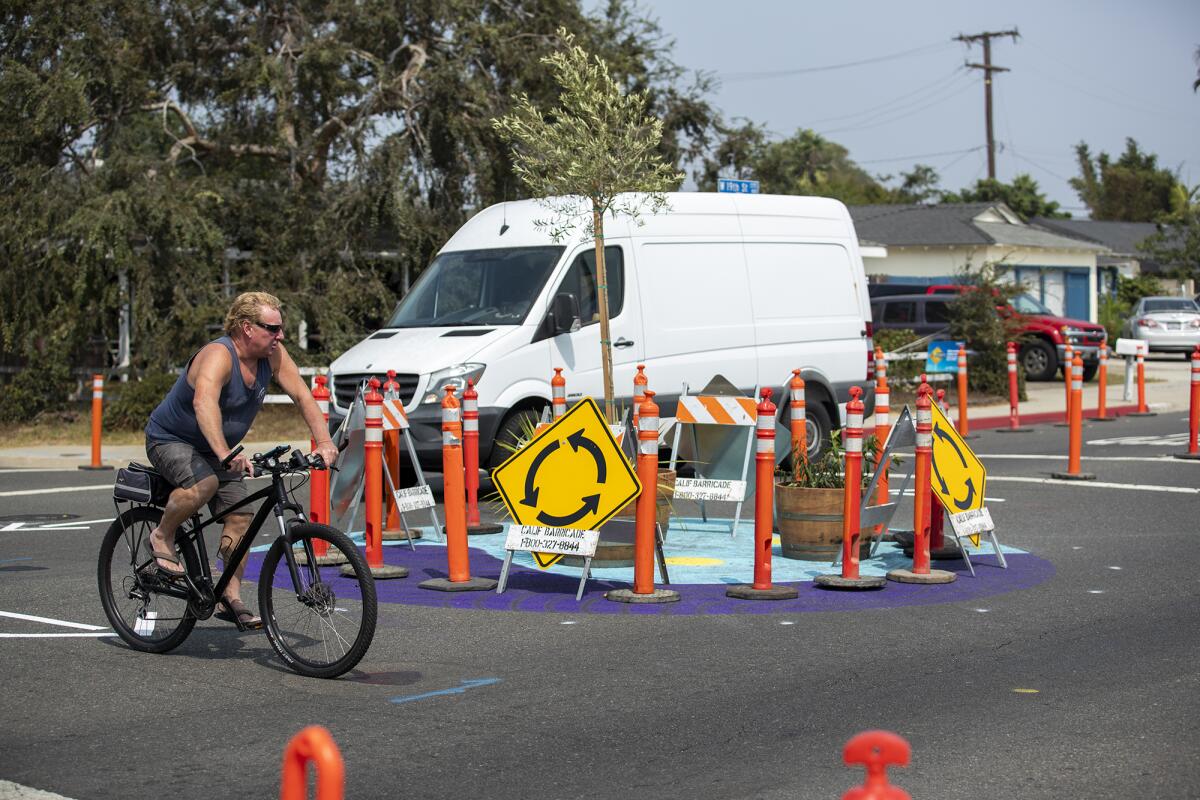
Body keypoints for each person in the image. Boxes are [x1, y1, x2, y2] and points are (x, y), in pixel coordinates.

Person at [143, 292, 340, 629]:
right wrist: (224, 453)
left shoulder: (272, 355)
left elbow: (303, 395)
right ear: (247, 328)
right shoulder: (218, 356)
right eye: (272, 328)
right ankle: (162, 536)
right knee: (203, 484)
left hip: (219, 447)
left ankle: (229, 595)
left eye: (281, 329)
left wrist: (324, 442)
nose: (280, 336)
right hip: (171, 440)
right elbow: (204, 403)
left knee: (241, 518)